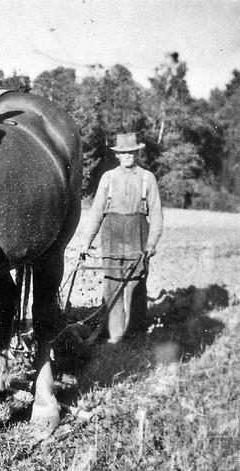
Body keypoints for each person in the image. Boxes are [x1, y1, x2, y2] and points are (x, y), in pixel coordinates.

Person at [81, 132, 164, 343]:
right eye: (124, 153)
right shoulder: (108, 178)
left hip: (138, 234)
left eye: (132, 152)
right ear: (118, 155)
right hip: (112, 235)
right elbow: (97, 212)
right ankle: (115, 334)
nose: (128, 156)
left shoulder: (148, 178)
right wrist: (86, 242)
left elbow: (156, 214)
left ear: (137, 153)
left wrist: (152, 243)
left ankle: (134, 333)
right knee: (111, 284)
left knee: (136, 285)